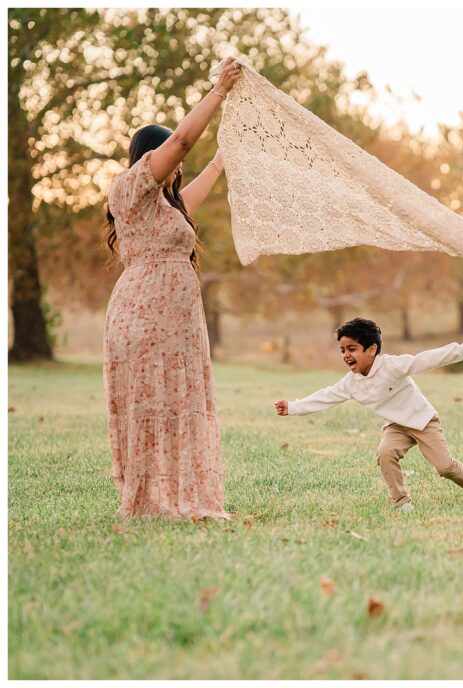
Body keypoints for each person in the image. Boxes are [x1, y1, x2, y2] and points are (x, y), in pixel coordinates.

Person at [103, 56, 243, 519]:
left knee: (177, 406)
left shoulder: (164, 208)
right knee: (154, 407)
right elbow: (183, 141)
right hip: (144, 316)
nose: (179, 165)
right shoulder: (128, 189)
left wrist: (223, 156)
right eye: (170, 159)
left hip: (175, 323)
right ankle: (148, 500)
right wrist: (217, 91)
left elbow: (198, 187)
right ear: (148, 157)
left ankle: (173, 497)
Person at [274, 318, 463, 512]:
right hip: (396, 426)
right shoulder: (351, 383)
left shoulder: (392, 366)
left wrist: (462, 349)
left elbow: (425, 359)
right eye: (342, 350)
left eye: (352, 349)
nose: (346, 355)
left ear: (371, 350)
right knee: (385, 453)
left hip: (423, 421)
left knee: (444, 467)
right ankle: (402, 503)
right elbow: (326, 396)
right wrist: (293, 407)